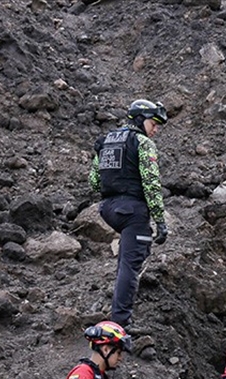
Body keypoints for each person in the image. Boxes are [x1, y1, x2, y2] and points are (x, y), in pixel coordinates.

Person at [88, 98, 171, 328]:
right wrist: (160, 220)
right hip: (132, 210)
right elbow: (151, 183)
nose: (155, 129)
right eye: (153, 122)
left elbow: (94, 182)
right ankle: (121, 323)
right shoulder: (142, 143)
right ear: (140, 119)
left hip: (107, 208)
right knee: (130, 265)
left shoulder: (106, 141)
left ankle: (118, 312)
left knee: (126, 258)